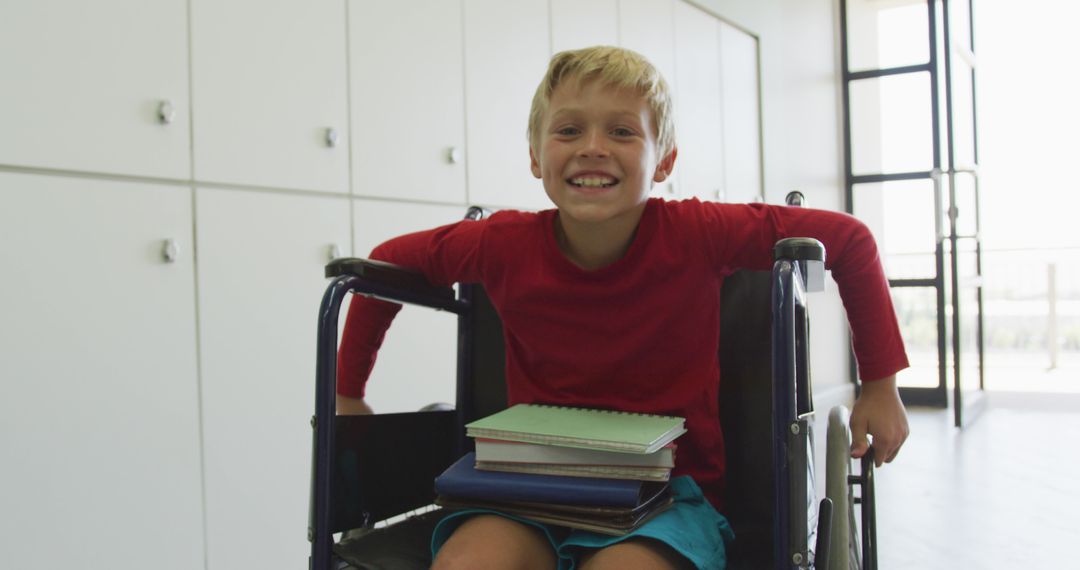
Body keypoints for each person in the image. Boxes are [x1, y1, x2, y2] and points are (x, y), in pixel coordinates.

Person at [336, 46, 910, 570]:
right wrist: (348, 390)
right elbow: (385, 265)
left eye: (621, 131)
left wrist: (880, 386)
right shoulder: (502, 243)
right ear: (536, 158)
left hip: (670, 498)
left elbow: (851, 240)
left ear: (663, 161)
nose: (592, 147)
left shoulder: (699, 232)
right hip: (525, 493)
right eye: (568, 130)